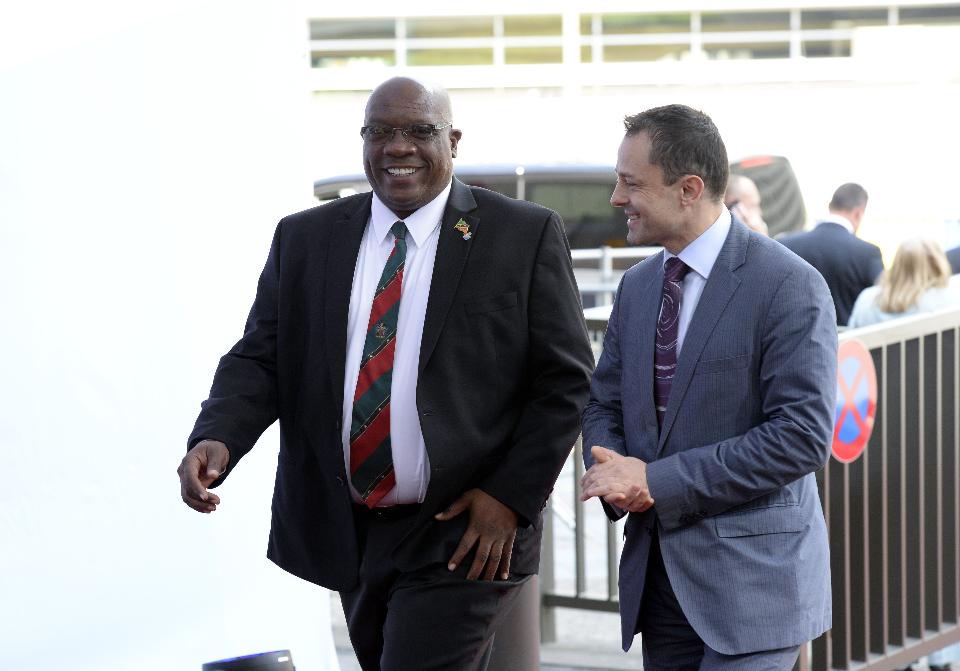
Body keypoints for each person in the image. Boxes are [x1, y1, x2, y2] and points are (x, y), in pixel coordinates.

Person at [177, 76, 594, 671]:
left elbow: (567, 381)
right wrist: (217, 437)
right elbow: (262, 355)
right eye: (381, 132)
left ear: (453, 141)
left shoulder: (520, 235)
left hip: (464, 529)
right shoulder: (307, 237)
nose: (398, 147)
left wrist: (510, 497)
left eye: (420, 131)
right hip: (353, 531)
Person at [580, 104, 837, 670]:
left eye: (630, 184)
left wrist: (655, 481)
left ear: (689, 188)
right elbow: (603, 400)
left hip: (755, 589)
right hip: (661, 585)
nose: (616, 199)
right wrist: (613, 466)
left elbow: (800, 438)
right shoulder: (641, 285)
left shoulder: (790, 285)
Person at [778, 182, 883, 326]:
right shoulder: (867, 252)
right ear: (858, 213)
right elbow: (881, 300)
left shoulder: (786, 244)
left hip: (795, 341)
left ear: (830, 206)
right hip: (848, 343)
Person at [848, 237, 958, 328]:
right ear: (938, 265)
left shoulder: (867, 299)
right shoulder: (950, 298)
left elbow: (852, 341)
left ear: (897, 264)